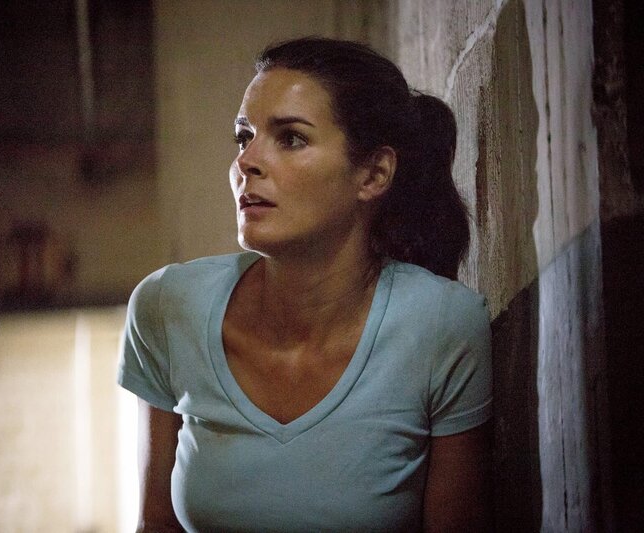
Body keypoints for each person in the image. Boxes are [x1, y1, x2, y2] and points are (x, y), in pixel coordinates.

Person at [118, 37, 492, 532]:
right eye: (244, 137)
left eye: (291, 138)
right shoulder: (169, 306)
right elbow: (156, 525)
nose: (246, 162)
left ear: (373, 174)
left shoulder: (443, 326)